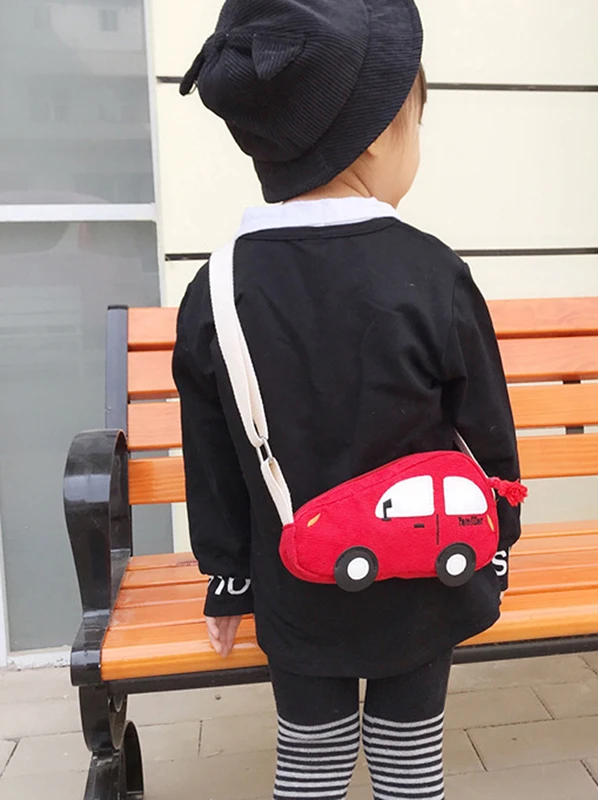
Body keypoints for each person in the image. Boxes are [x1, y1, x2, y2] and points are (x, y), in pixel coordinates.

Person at [172, 1, 522, 797]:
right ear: (374, 134)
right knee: (410, 757)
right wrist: (498, 539)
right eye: (416, 124)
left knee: (310, 760)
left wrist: (228, 574)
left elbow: (213, 449)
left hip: (293, 578)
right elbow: (483, 429)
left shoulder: (219, 286)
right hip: (427, 572)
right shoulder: (431, 272)